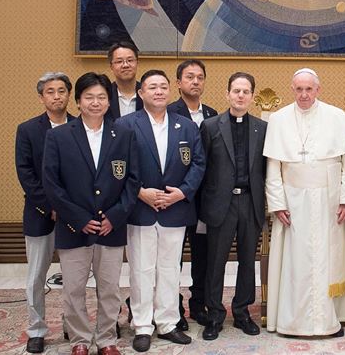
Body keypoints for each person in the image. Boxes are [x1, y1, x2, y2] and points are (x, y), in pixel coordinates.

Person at [43, 72, 138, 355]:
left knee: (109, 289)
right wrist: (79, 219)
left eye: (101, 97)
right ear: (78, 101)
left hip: (112, 227)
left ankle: (107, 338)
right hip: (74, 228)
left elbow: (132, 180)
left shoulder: (123, 134)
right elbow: (52, 183)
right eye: (89, 97)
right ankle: (80, 340)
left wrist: (116, 216)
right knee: (73, 289)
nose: (95, 103)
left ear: (109, 102)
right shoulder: (58, 136)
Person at [264, 68, 345, 336]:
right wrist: (278, 204)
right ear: (292, 89)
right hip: (293, 203)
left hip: (330, 201)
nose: (304, 94)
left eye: (309, 89)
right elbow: (273, 167)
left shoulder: (336, 116)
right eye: (299, 89)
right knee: (297, 261)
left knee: (331, 258)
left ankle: (332, 317)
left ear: (318, 89)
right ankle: (294, 320)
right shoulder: (279, 119)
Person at [116, 70, 205, 352]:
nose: (158, 91)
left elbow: (199, 164)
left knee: (169, 269)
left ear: (170, 91)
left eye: (163, 87)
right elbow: (117, 165)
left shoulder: (186, 126)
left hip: (174, 209)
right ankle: (142, 325)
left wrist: (182, 192)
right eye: (152, 87)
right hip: (140, 210)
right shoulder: (125, 124)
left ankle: (167, 322)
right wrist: (140, 191)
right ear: (141, 93)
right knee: (142, 269)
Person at [199, 72, 267, 341]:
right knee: (215, 261)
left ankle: (241, 312)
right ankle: (214, 314)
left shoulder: (262, 128)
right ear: (227, 93)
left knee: (247, 261)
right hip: (220, 204)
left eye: (246, 91)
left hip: (250, 202)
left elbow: (265, 169)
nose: (240, 96)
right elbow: (202, 168)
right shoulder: (210, 126)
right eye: (236, 91)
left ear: (252, 96)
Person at [15, 72, 75, 354]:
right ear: (42, 97)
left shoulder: (82, 126)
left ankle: (71, 324)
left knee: (74, 276)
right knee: (37, 276)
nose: (56, 96)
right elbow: (26, 174)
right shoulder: (27, 130)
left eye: (61, 90)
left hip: (74, 216)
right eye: (50, 92)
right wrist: (51, 207)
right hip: (40, 213)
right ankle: (37, 329)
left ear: (69, 95)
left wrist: (69, 209)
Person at [167, 59, 217, 329]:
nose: (195, 81)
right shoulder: (168, 112)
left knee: (202, 256)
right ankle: (172, 308)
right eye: (189, 77)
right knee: (172, 259)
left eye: (199, 77)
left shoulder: (212, 114)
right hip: (176, 199)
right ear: (178, 83)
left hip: (204, 202)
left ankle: (199, 305)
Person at [107, 41, 143, 120]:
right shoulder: (105, 95)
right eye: (119, 61)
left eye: (130, 60)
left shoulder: (147, 93)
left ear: (137, 63)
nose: (125, 65)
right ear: (111, 66)